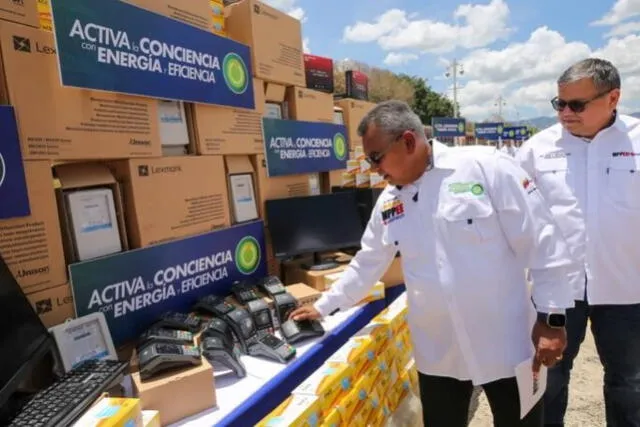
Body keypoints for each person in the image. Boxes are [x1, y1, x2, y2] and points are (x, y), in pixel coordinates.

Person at [289, 100, 577, 427]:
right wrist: (324, 306)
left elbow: (542, 240)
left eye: (375, 157)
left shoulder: (487, 167)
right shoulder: (390, 202)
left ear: (408, 142)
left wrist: (552, 319)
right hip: (439, 352)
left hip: (506, 344)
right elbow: (367, 262)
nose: (372, 168)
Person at [516, 58, 640, 427]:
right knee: (549, 381)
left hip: (627, 289)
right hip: (558, 291)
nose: (565, 114)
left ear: (613, 98)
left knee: (629, 383)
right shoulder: (536, 150)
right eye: (559, 104)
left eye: (577, 105)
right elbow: (514, 216)